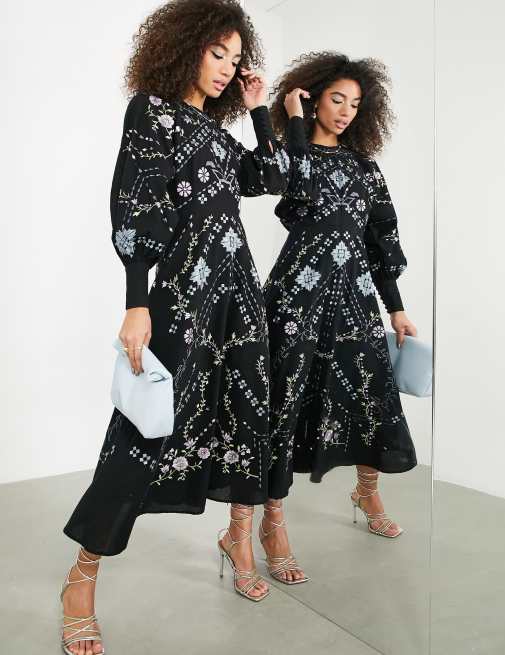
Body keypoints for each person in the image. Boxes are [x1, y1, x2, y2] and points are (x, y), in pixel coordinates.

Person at [59, 2, 309, 653]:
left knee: (248, 416)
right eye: (215, 53)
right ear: (184, 47)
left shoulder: (219, 135)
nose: (226, 67)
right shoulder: (152, 112)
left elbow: (272, 177)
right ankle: (81, 577)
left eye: (235, 58)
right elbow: (134, 201)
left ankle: (239, 540)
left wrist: (259, 110)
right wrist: (136, 300)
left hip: (239, 295)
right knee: (145, 429)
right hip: (180, 294)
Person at [262, 52, 419, 573]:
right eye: (337, 99)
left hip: (353, 297)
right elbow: (295, 197)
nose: (347, 111)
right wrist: (295, 125)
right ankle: (272, 519)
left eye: (355, 103)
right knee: (285, 399)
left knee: (371, 393)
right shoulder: (292, 154)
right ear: (312, 99)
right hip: (297, 295)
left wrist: (396, 308)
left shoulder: (364, 168)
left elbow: (381, 240)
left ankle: (366, 491)